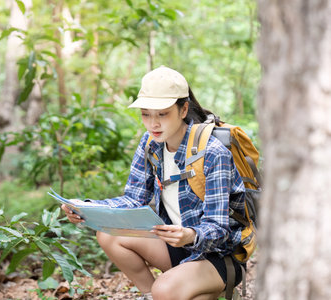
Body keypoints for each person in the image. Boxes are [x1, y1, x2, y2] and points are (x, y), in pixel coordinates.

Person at [61, 66, 246, 300]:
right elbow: (133, 199)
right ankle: (156, 294)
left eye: (162, 114)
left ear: (183, 109)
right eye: (146, 114)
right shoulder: (151, 144)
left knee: (166, 290)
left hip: (219, 255)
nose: (153, 124)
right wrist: (85, 208)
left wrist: (190, 234)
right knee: (108, 235)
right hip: (178, 246)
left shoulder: (212, 152)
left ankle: (197, 288)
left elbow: (219, 229)